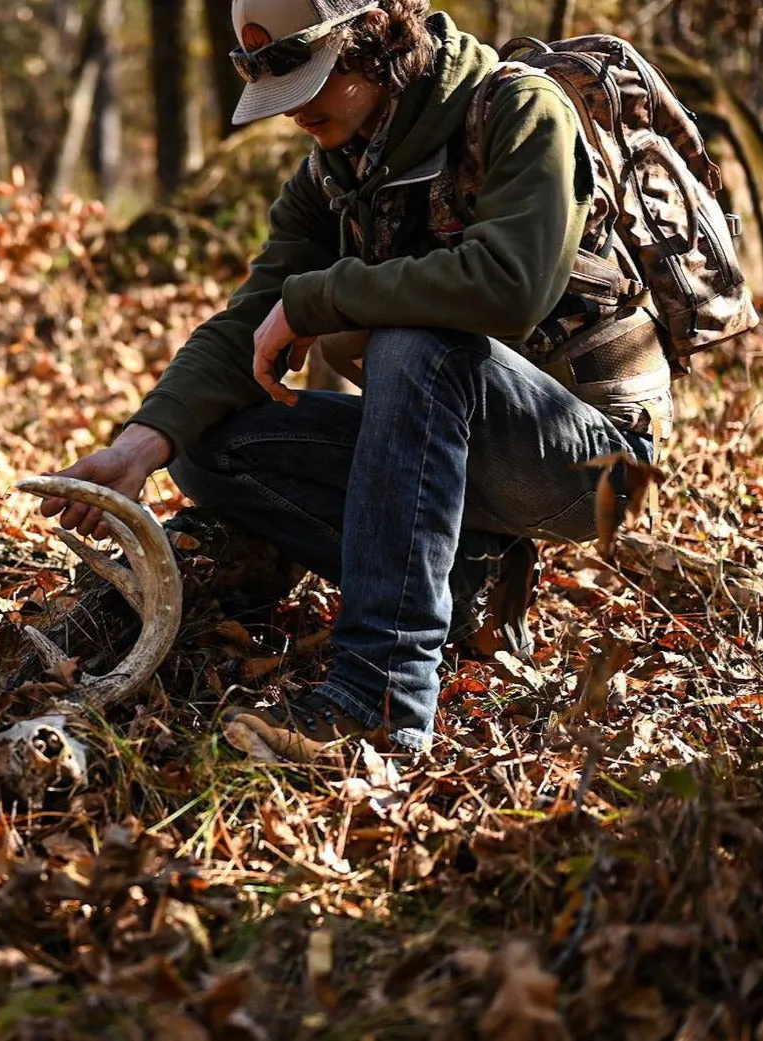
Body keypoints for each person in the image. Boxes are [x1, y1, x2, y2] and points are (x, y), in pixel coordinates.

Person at [38, 0, 666, 762]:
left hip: (596, 462)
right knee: (205, 446)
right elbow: (247, 324)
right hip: (459, 439)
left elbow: (509, 287)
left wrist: (318, 299)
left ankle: (380, 696)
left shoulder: (517, 111)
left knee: (415, 341)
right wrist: (140, 444)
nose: (292, 110)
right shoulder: (336, 172)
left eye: (308, 79)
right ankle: (458, 581)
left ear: (371, 42)